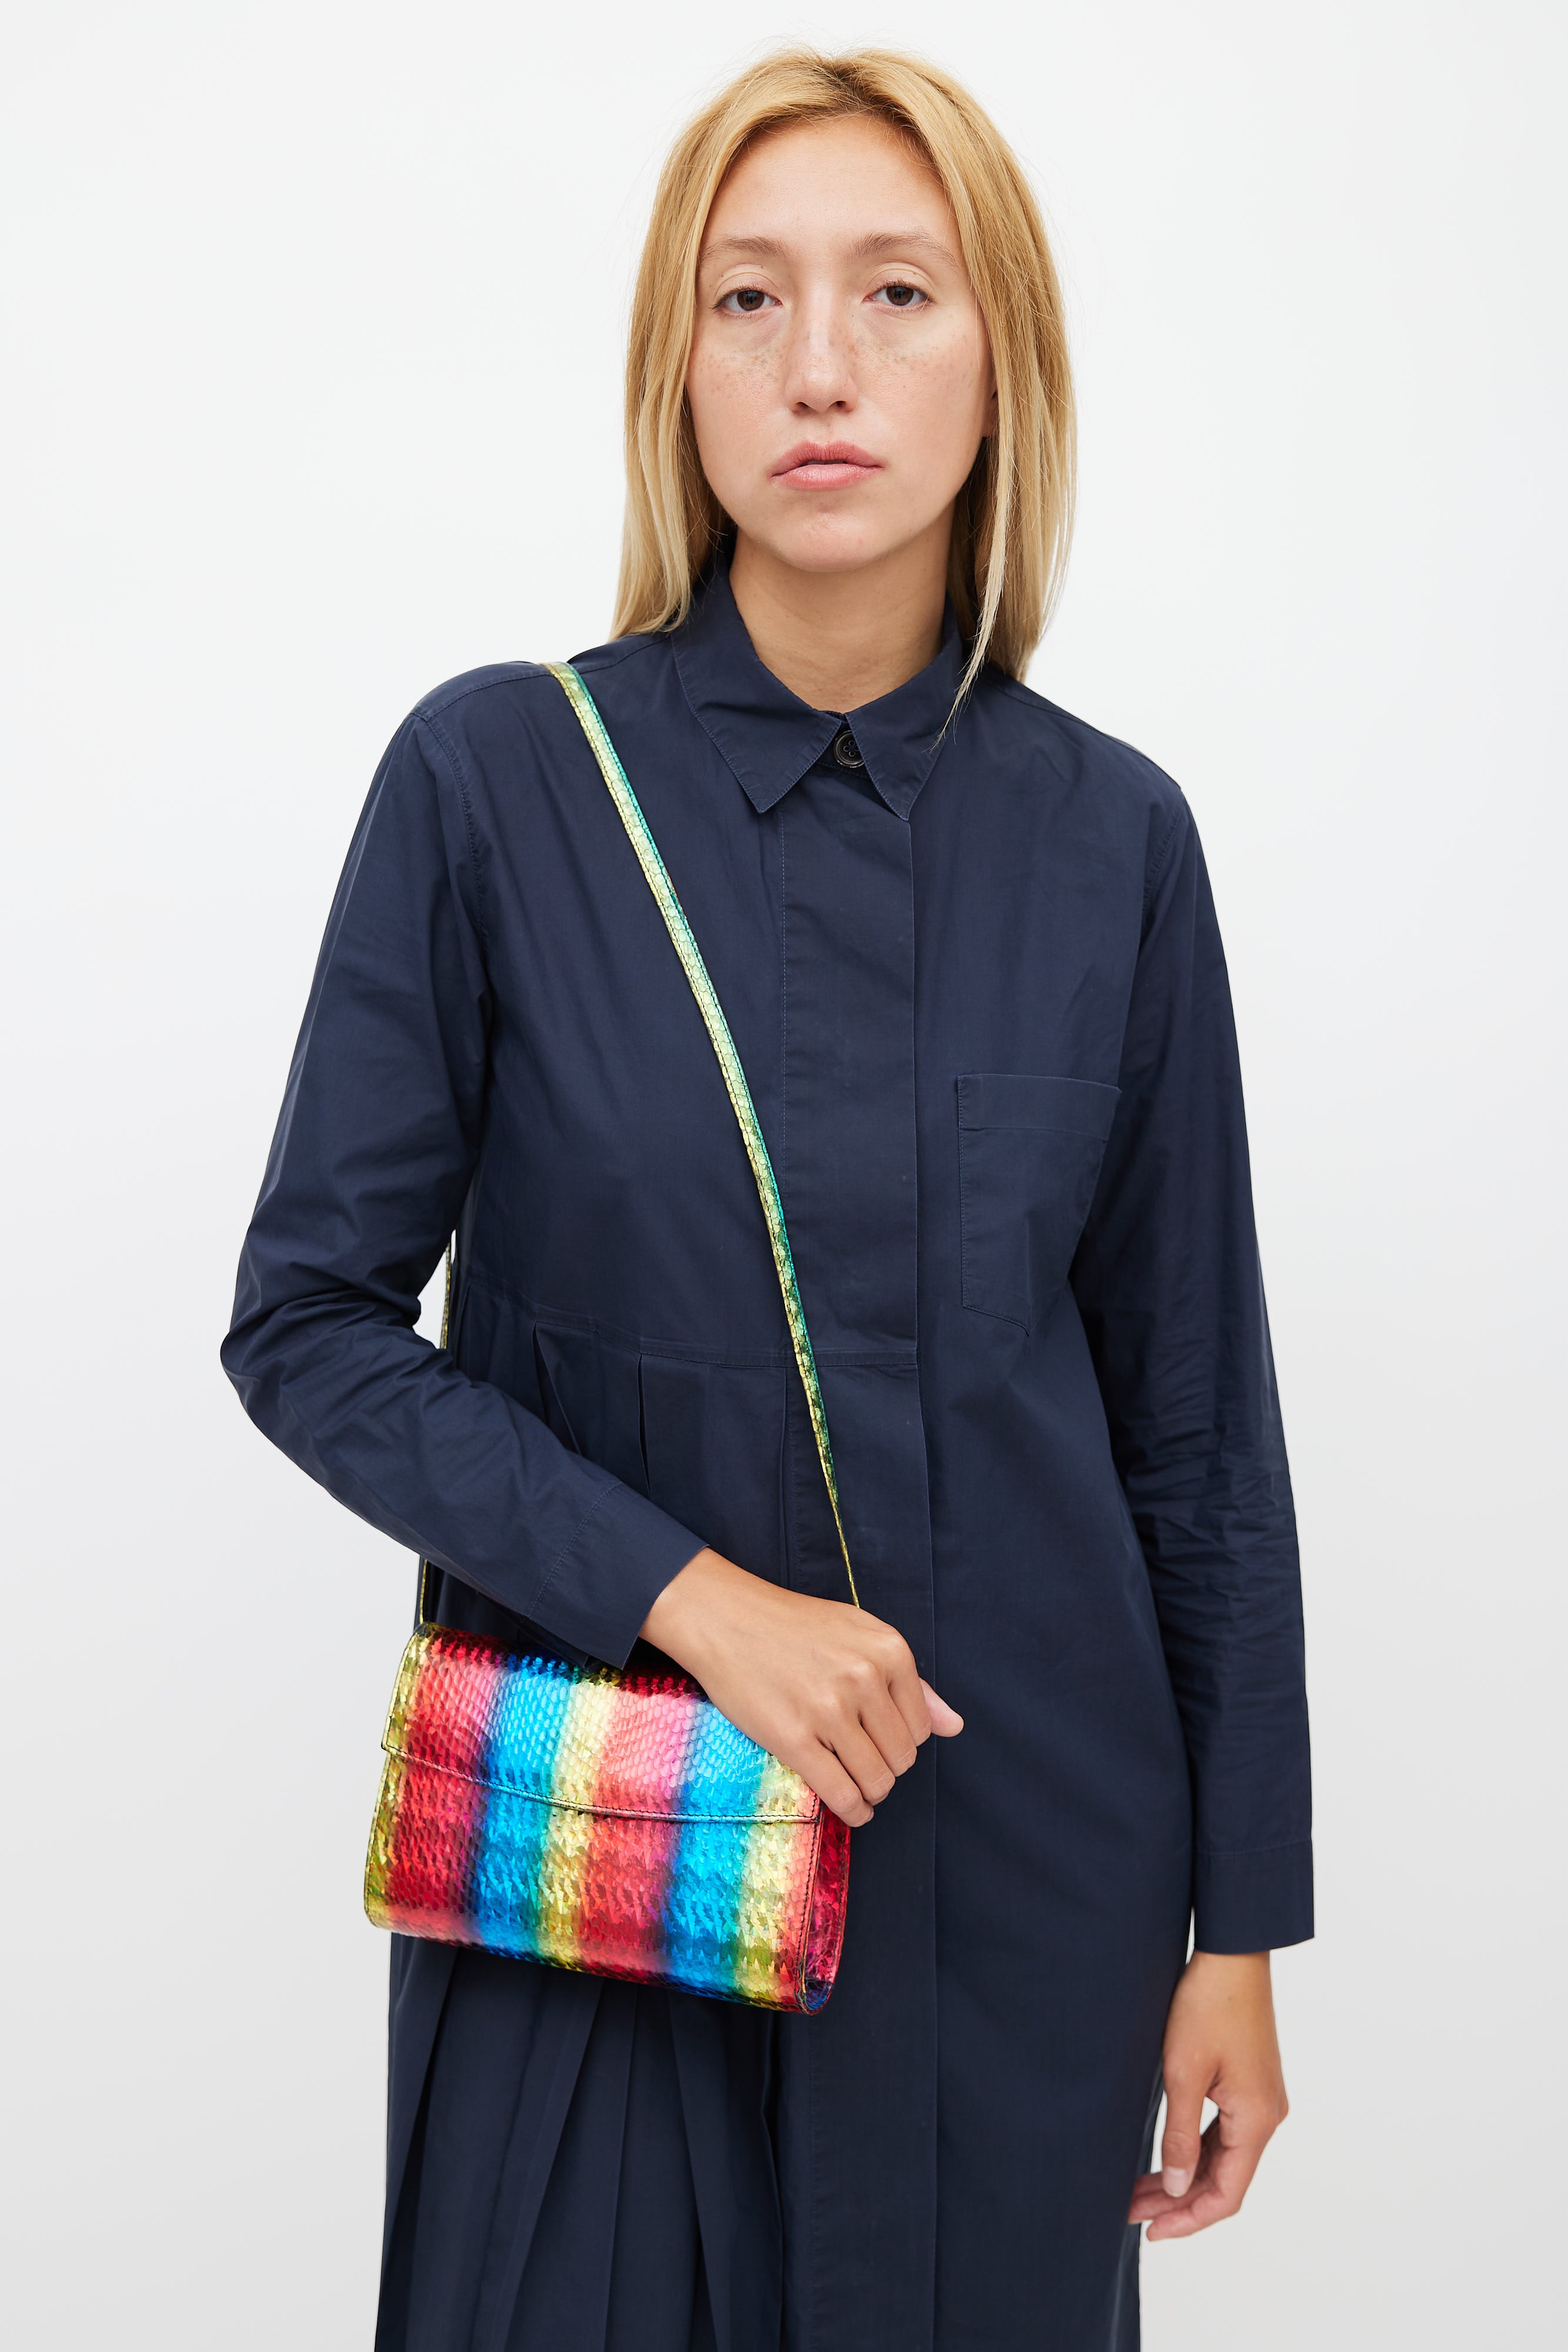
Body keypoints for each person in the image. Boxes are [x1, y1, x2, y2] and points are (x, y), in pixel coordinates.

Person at [223, 45, 1311, 2352]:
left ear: (1000, 364)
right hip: (607, 1864)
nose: (821, 364)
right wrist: (693, 1599)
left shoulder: (1114, 842)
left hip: (1022, 1883)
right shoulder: (498, 781)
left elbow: (1194, 1425)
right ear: (677, 366)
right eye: (749, 298)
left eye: (897, 292)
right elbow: (306, 1321)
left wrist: (1236, 1926)